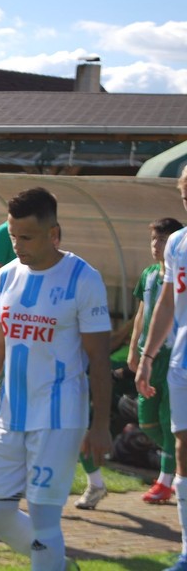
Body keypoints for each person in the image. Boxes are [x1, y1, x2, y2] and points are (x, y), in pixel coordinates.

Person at [0, 187, 111, 571]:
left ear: (53, 234)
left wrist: (101, 424)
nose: (17, 246)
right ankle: (61, 565)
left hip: (59, 417)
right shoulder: (7, 277)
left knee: (44, 519)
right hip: (10, 415)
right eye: (12, 236)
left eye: (26, 237)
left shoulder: (83, 279)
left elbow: (99, 358)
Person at [137, 167, 187, 571]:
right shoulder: (178, 245)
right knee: (184, 448)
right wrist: (148, 356)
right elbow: (166, 304)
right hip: (180, 363)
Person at [128, 217, 183, 504]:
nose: (156, 245)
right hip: (150, 355)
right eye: (154, 239)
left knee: (167, 417)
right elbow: (141, 314)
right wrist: (134, 349)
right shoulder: (149, 276)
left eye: (163, 240)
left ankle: (165, 480)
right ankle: (178, 462)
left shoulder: (179, 277)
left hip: (173, 354)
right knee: (147, 420)